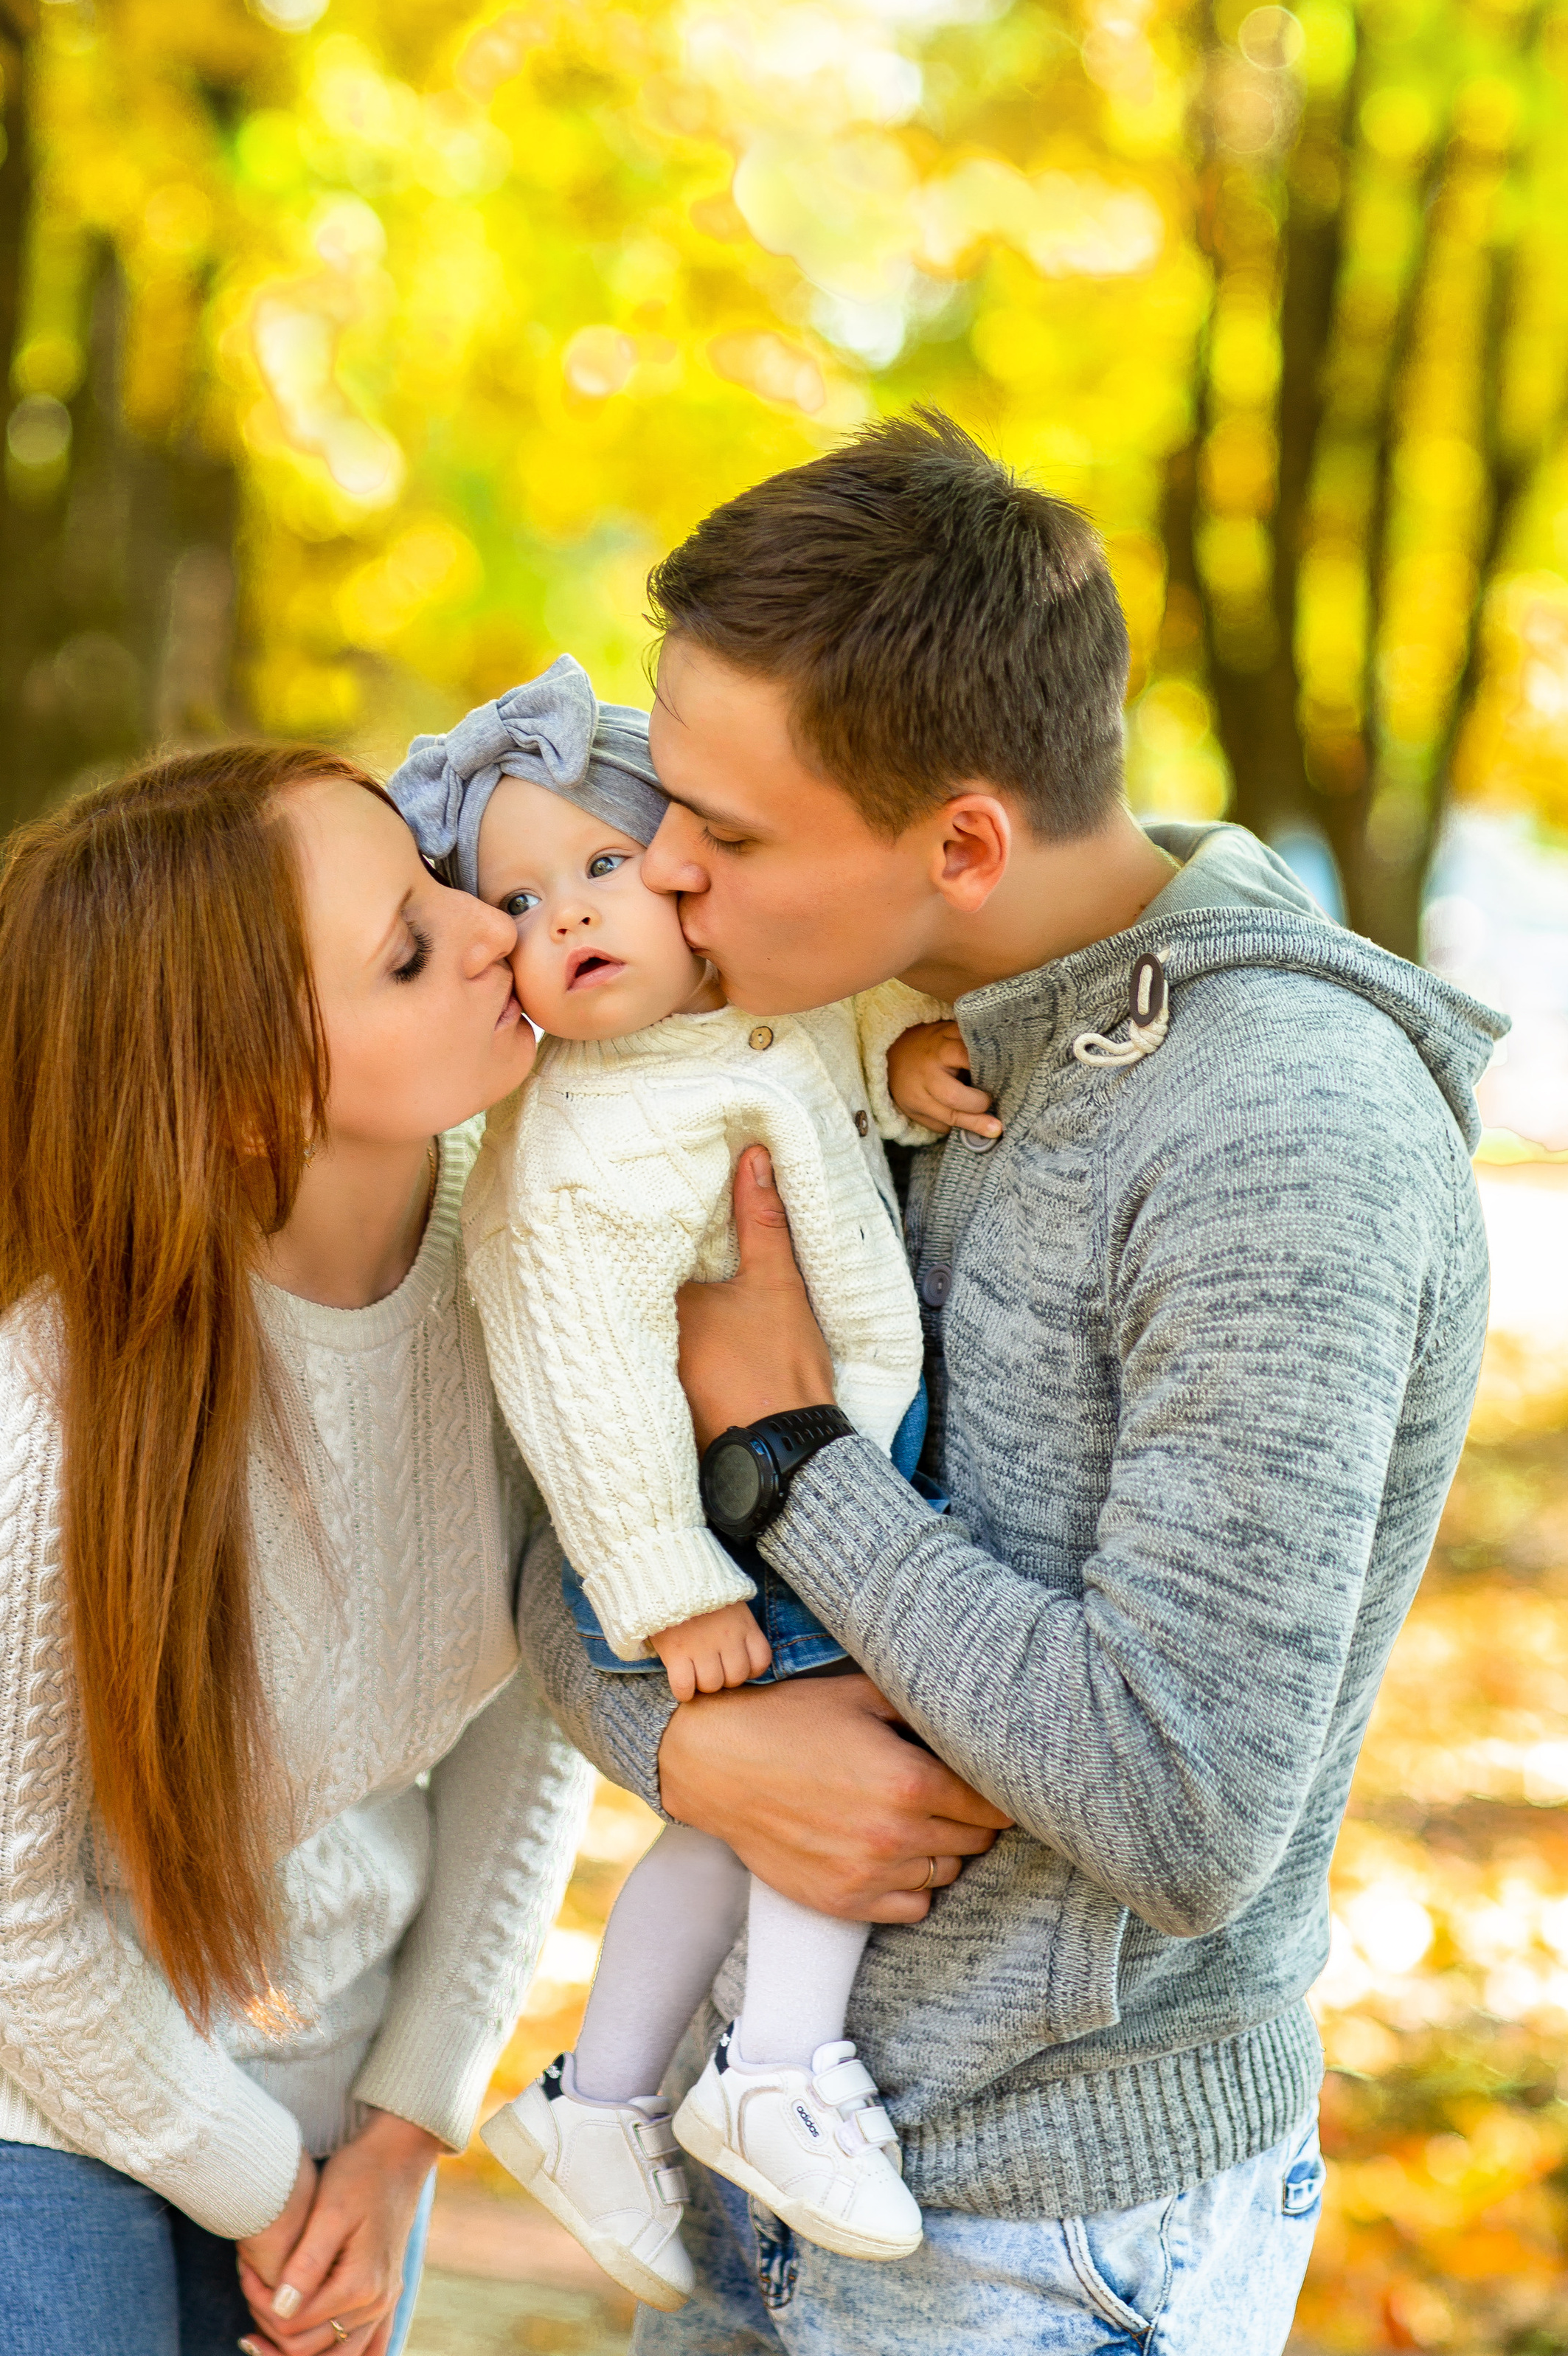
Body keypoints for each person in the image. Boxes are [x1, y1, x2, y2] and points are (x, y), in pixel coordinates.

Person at [516, 409, 1507, 2355]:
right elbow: (556, 1538)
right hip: (748, 2154)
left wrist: (794, 1459)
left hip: (1044, 2242)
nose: (668, 885)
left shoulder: (1280, 1136)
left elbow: (1180, 1798)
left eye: (723, 835)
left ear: (963, 841)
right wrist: (695, 1750)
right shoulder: (818, 1053)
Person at [0, 745, 593, 2356]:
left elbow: (540, 1706)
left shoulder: (532, 1266)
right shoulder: (60, 1396)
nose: (491, 925)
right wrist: (257, 2185)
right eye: (409, 948)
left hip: (319, 2073)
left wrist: (401, 2132)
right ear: (241, 1099)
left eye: (435, 879)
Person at [387, 659, 985, 2305]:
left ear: (681, 874)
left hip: (814, 1468)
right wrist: (667, 1584)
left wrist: (906, 1061)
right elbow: (579, 1388)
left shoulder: (735, 1022)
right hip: (703, 1523)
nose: (564, 913)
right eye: (509, 898)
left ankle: (599, 2098)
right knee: (826, 1771)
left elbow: (810, 1062)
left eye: (599, 865)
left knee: (728, 1831)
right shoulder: (575, 1149)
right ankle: (775, 2070)